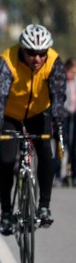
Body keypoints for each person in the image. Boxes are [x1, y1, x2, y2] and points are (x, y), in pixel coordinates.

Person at [0, 24, 67, 235]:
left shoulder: (54, 62)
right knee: (6, 161)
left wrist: (58, 125)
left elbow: (58, 97)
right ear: (22, 49)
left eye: (41, 53)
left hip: (39, 113)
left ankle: (44, 206)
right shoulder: (8, 61)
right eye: (31, 53)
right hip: (10, 115)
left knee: (46, 153)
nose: (37, 58)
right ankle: (6, 213)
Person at [55, 58, 76, 186]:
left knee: (74, 146)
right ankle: (57, 175)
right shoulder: (60, 81)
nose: (74, 75)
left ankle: (73, 175)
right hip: (64, 115)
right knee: (62, 143)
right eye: (72, 72)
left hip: (75, 114)